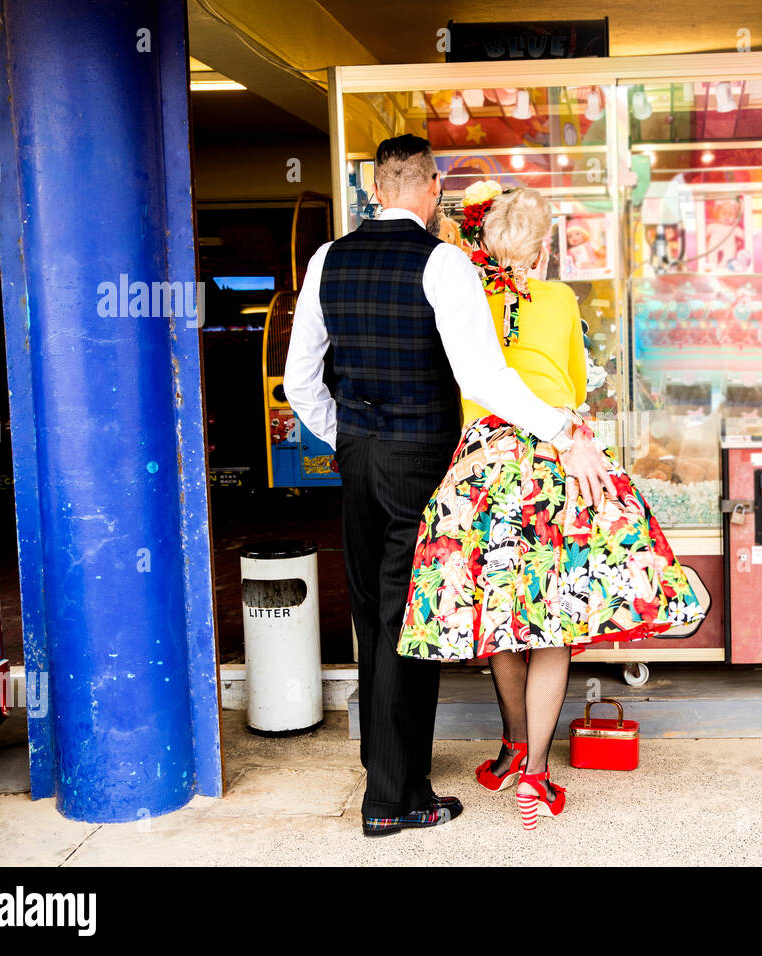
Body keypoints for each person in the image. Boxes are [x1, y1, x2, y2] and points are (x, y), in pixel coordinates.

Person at [283, 136, 614, 838]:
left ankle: (385, 768)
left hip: (358, 457)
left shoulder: (325, 259)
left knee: (371, 616)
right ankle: (395, 799)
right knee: (411, 626)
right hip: (420, 465)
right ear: (430, 187)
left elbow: (299, 380)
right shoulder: (443, 263)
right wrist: (563, 428)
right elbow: (484, 380)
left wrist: (344, 432)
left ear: (377, 187)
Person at [396, 184, 705, 830]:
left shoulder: (467, 296)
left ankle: (510, 748)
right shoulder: (560, 299)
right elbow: (570, 386)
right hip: (553, 461)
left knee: (505, 615)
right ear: (539, 252)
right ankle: (536, 771)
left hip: (481, 468)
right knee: (554, 622)